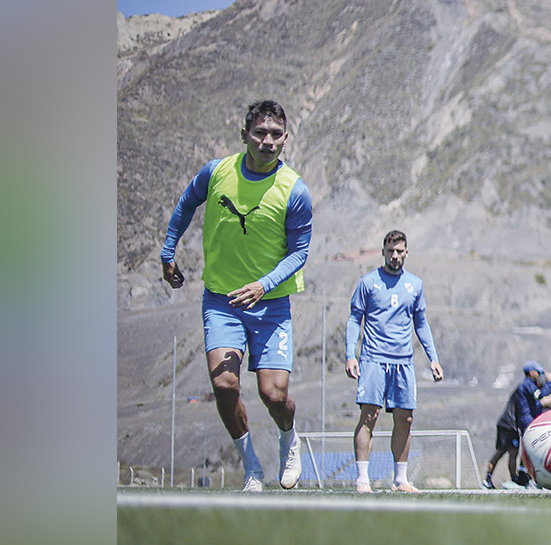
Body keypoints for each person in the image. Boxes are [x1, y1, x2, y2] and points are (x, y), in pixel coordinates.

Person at [160, 100, 312, 492]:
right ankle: (252, 468)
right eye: (260, 133)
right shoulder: (216, 172)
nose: (267, 141)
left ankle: (288, 436)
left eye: (275, 134)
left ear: (286, 139)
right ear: (244, 135)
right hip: (222, 300)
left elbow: (300, 252)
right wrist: (167, 252)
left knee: (273, 394)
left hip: (271, 303)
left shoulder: (295, 190)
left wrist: (263, 285)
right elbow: (185, 206)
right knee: (225, 386)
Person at [345, 230, 443, 493]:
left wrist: (433, 358)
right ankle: (362, 480)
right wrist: (349, 354)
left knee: (405, 419)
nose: (395, 256)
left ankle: (401, 480)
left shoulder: (415, 285)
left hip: (403, 362)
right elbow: (355, 319)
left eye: (400, 251)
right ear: (383, 252)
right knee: (369, 416)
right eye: (391, 251)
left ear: (406, 253)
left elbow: (421, 323)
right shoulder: (368, 282)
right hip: (373, 359)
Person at [482, 361, 551, 489]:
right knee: (504, 452)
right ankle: (491, 479)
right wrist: (550, 382)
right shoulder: (527, 384)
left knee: (514, 452)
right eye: (539, 373)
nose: (540, 375)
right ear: (531, 372)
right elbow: (540, 396)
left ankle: (517, 478)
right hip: (508, 424)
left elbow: (534, 405)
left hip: (513, 425)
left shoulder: (529, 386)